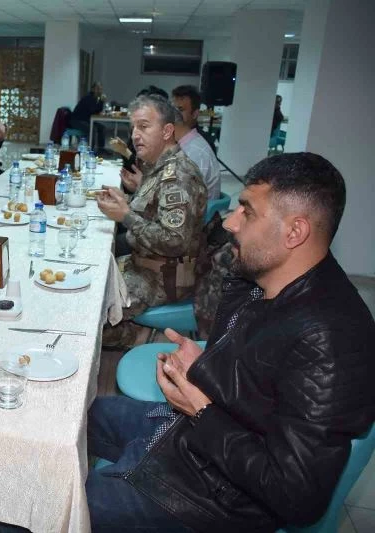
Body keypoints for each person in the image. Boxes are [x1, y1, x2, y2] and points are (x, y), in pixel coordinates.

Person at [86, 152, 375, 532]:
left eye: (247, 212)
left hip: (215, 496)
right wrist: (200, 369)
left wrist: (201, 409)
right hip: (192, 438)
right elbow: (252, 384)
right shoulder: (260, 280)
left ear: (295, 232)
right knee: (73, 418)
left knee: (47, 505)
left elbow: (296, 496)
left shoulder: (331, 340)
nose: (229, 221)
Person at [97, 95, 206, 349]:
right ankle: (135, 331)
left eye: (144, 126)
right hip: (144, 264)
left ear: (167, 131)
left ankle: (139, 336)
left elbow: (174, 241)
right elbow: (154, 212)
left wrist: (126, 216)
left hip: (161, 277)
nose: (135, 135)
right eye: (133, 127)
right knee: (90, 276)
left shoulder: (177, 175)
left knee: (88, 314)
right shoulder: (159, 167)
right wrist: (126, 200)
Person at [171, 85, 221, 199]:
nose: (173, 114)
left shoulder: (195, 151)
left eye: (180, 109)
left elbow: (185, 199)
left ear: (195, 114)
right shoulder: (183, 142)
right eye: (172, 109)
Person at [70, 81, 107, 151]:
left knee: (102, 128)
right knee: (92, 129)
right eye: (98, 89)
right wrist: (101, 102)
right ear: (93, 89)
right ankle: (90, 150)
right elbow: (93, 111)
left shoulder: (96, 98)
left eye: (101, 89)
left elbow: (97, 111)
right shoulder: (88, 98)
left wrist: (101, 102)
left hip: (86, 120)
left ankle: (101, 149)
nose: (100, 91)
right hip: (77, 120)